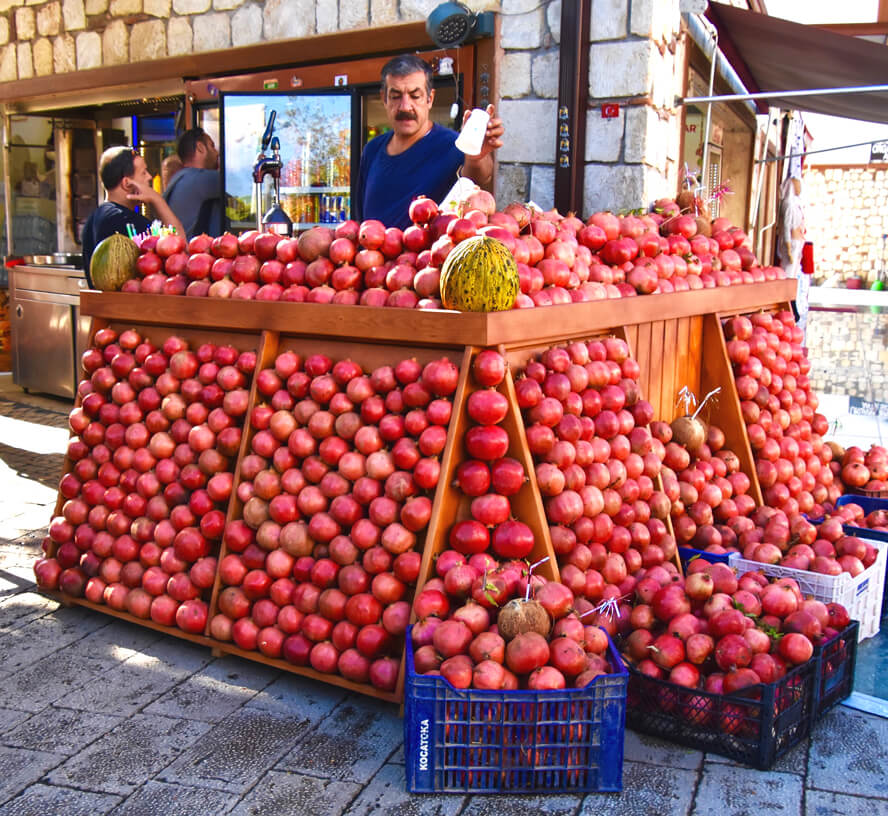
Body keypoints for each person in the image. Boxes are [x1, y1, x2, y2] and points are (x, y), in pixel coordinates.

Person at [355, 54, 505, 230]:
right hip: (370, 256)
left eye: (415, 96)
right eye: (395, 96)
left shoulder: (453, 145)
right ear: (384, 99)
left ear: (430, 99)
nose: (405, 106)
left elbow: (478, 178)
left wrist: (476, 157)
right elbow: (360, 219)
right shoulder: (372, 150)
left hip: (430, 257)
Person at [81, 146, 185, 285]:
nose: (149, 177)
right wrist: (157, 199)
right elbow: (180, 246)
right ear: (127, 183)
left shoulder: (96, 216)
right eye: (143, 173)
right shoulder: (126, 221)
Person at [164, 127, 223, 239]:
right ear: (200, 147)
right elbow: (234, 184)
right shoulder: (199, 179)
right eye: (212, 146)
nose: (217, 153)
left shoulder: (182, 178)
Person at [777, 174, 809, 334]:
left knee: (793, 276)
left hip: (797, 244)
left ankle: (792, 307)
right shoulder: (789, 204)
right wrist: (788, 248)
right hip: (792, 244)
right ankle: (788, 307)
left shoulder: (795, 204)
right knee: (788, 277)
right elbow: (786, 227)